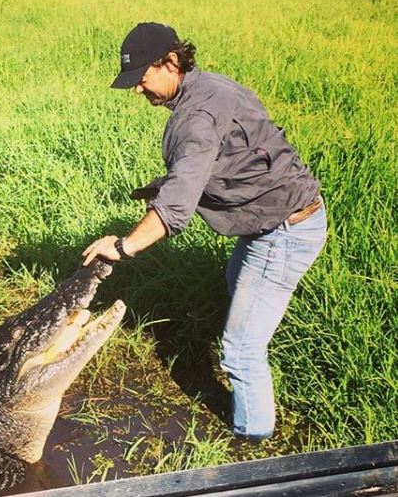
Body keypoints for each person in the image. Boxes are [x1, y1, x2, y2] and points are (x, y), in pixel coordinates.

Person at [82, 22, 327, 441]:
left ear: (170, 63)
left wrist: (123, 247)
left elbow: (176, 209)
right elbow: (226, 158)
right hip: (273, 218)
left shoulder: (196, 116)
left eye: (141, 78)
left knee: (241, 350)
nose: (137, 90)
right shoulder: (210, 86)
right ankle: (251, 360)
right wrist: (165, 187)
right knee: (236, 289)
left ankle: (252, 440)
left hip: (283, 230)